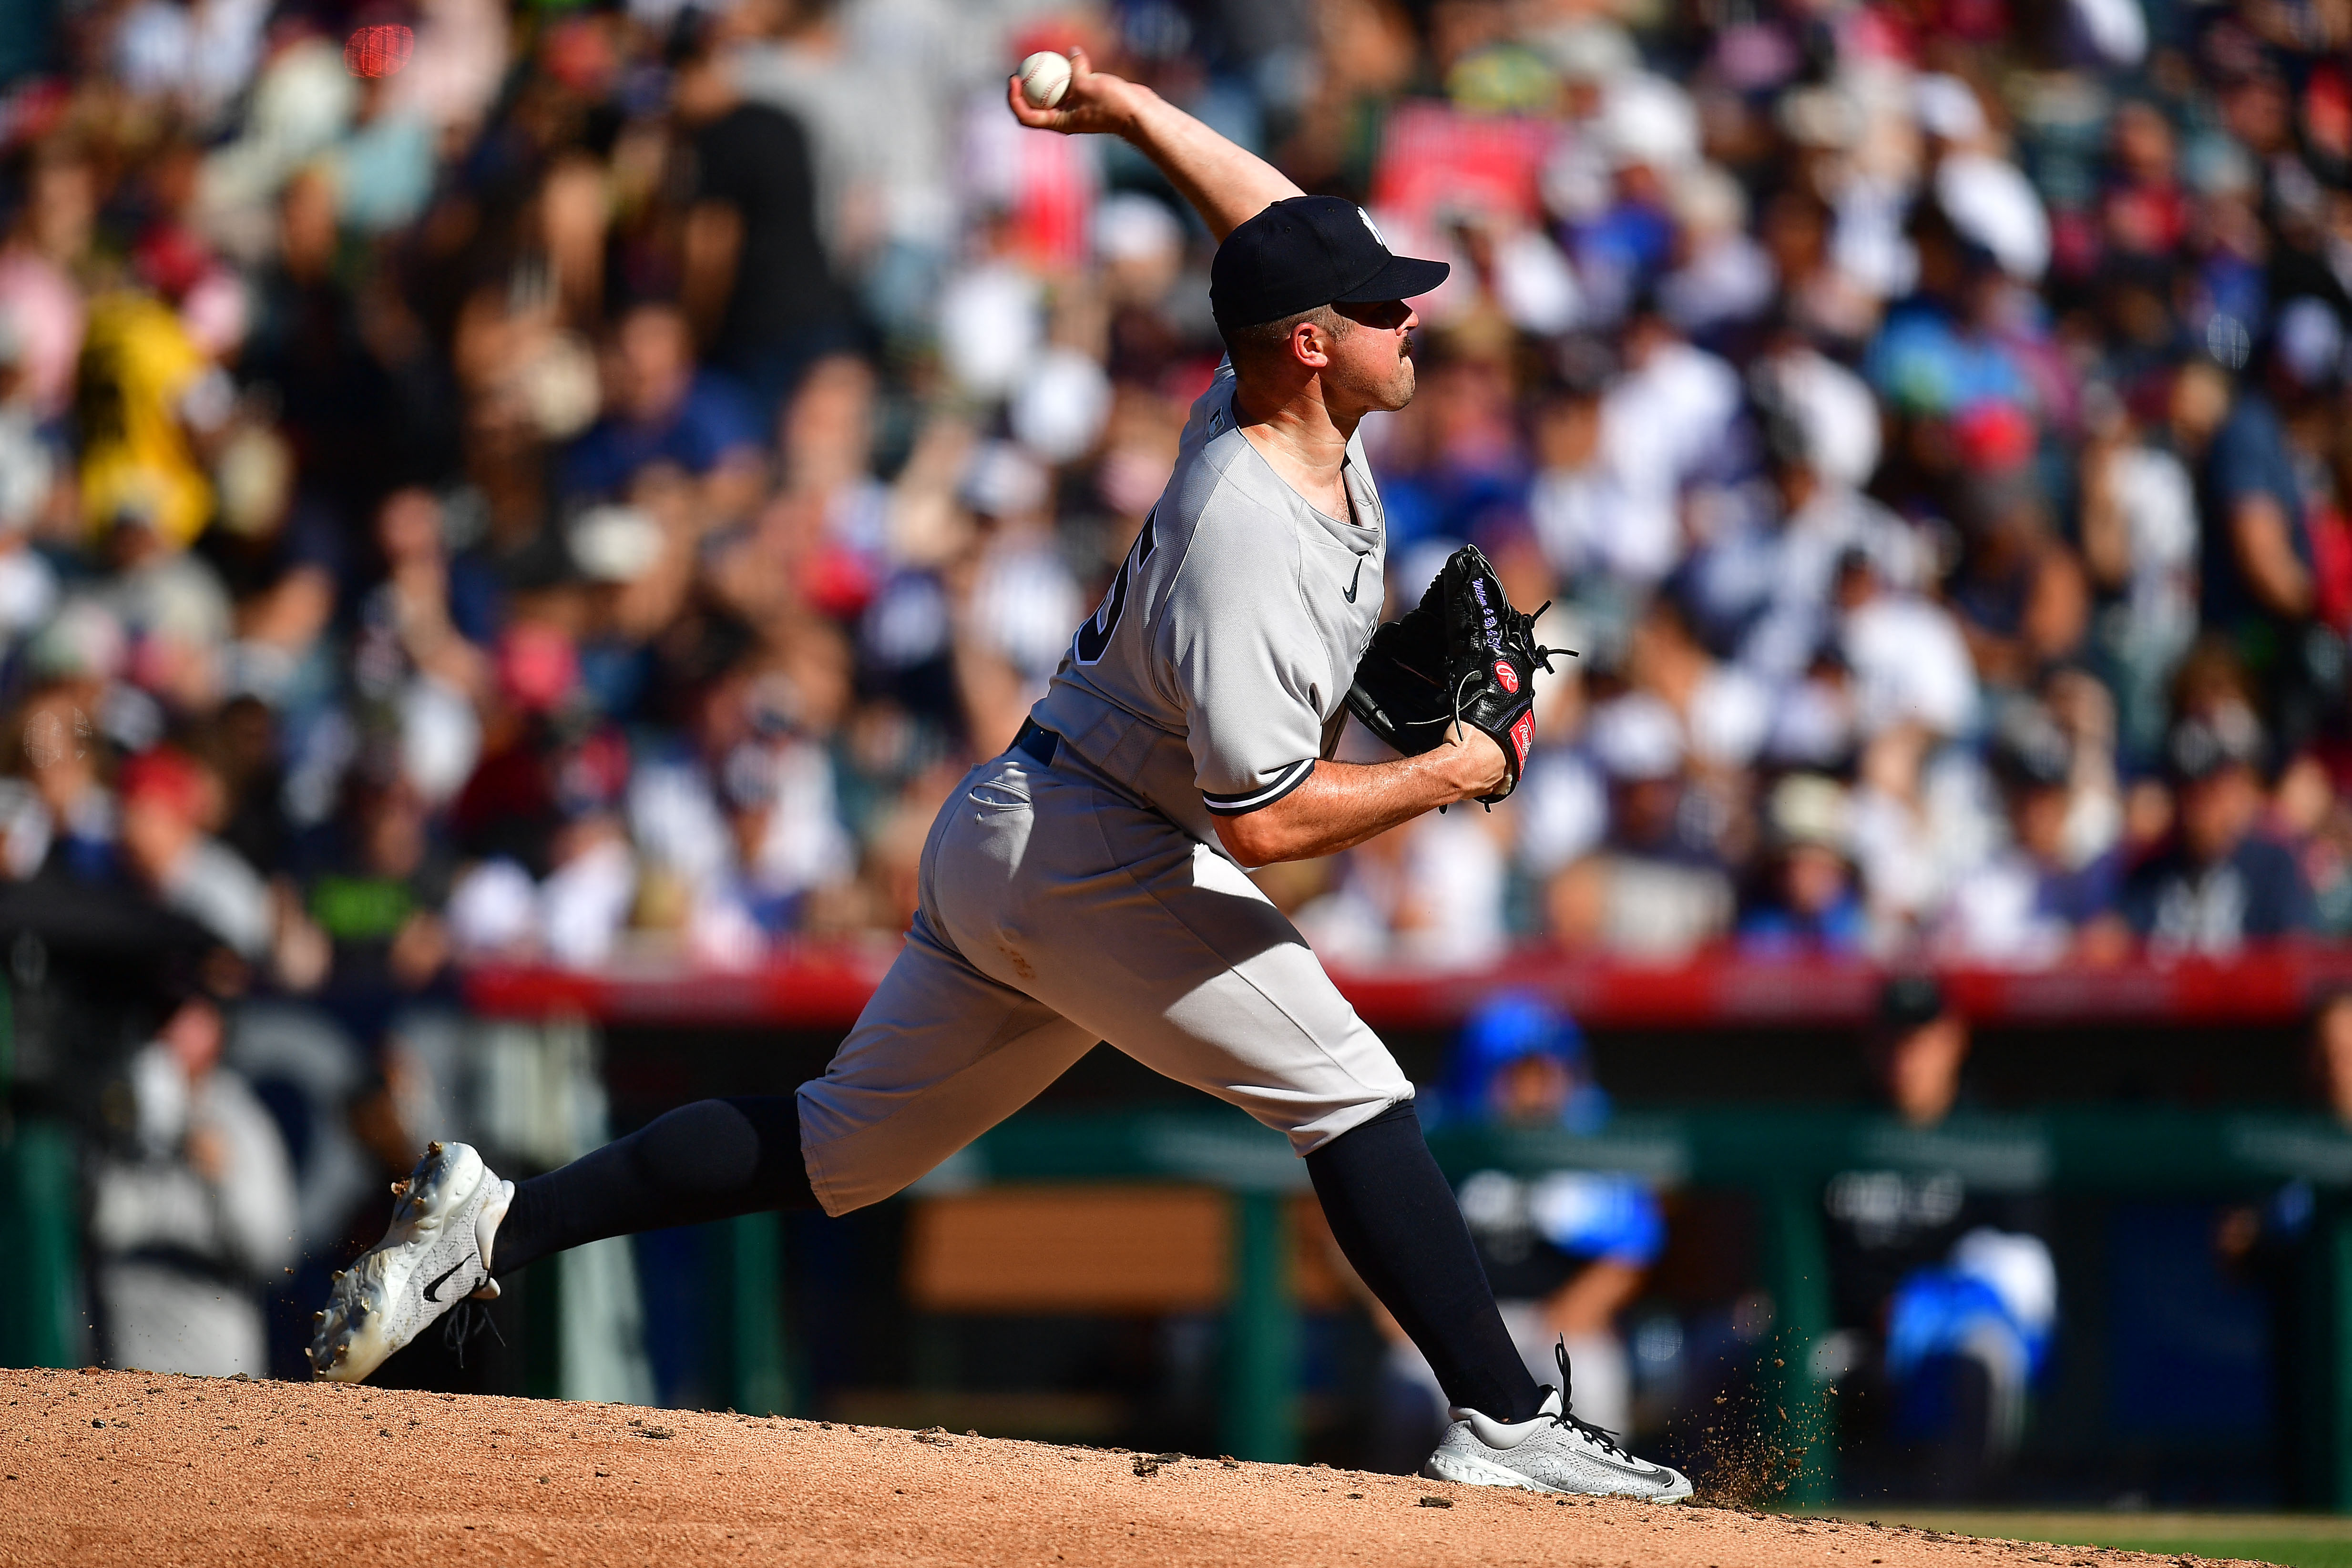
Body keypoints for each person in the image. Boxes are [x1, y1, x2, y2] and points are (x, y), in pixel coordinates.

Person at [309, 51, 1693, 1503]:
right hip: (1101, 846)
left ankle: (496, 1225)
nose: (1410, 313)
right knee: (1350, 1088)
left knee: (836, 1143)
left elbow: (1270, 219)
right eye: (1380, 304)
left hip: (1029, 821)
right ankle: (1503, 1411)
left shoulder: (1271, 400)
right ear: (1303, 342)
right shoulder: (1248, 535)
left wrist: (1137, 113)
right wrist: (1457, 767)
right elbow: (1265, 816)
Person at [1371, 996, 1664, 1472]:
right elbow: (1364, 1228)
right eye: (1515, 1074)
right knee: (1410, 1391)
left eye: (1546, 1072)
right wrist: (1393, 1306)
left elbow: (1631, 1244)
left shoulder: (1593, 1133)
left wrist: (1586, 1301)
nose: (1534, 1090)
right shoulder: (1431, 1133)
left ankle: (1603, 1520)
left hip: (1555, 1319)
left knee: (1588, 1377)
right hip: (1451, 1321)